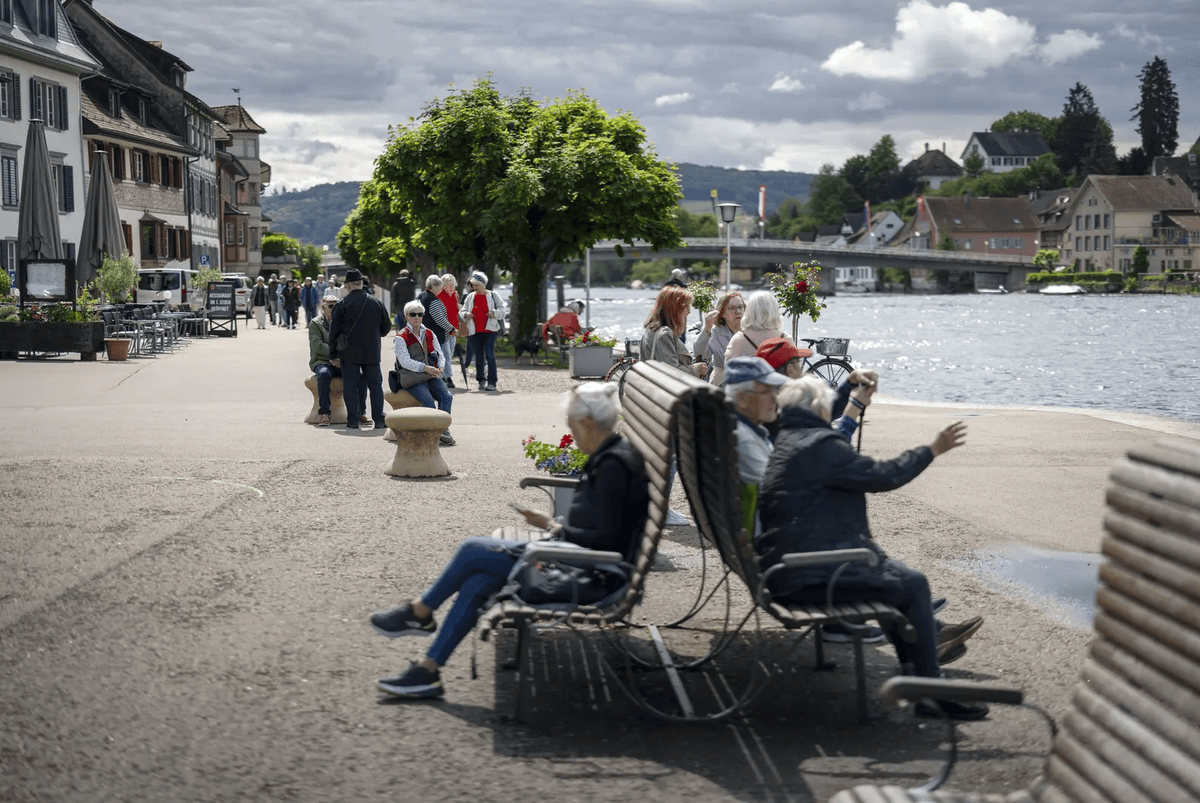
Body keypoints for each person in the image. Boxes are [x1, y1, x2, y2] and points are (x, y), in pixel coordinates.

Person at [369, 382, 649, 699]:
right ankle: (427, 671)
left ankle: (419, 612)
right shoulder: (615, 455)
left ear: (587, 422)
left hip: (592, 575)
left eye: (572, 426)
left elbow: (602, 543)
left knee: (473, 549)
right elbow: (603, 530)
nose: (571, 434)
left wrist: (552, 529)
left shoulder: (612, 466)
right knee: (477, 582)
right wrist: (553, 526)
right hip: (584, 562)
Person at [756, 375, 987, 720]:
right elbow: (885, 475)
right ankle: (928, 691)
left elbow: (825, 410)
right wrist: (932, 449)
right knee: (912, 585)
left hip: (787, 569)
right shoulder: (821, 446)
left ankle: (923, 682)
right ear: (819, 409)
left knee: (898, 579)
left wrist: (852, 395)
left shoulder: (787, 438)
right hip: (808, 577)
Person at [328, 269, 392, 429]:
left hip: (349, 353)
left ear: (348, 286)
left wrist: (333, 354)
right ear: (361, 284)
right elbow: (386, 328)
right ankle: (379, 419)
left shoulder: (342, 305)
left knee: (351, 386)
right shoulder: (376, 303)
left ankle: (354, 420)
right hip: (372, 352)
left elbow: (333, 333)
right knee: (375, 386)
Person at [394, 300, 455, 446]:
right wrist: (426, 368)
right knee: (428, 401)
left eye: (420, 314)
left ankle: (442, 430)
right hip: (412, 378)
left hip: (429, 374)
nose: (417, 317)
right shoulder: (400, 337)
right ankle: (433, 434)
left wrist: (440, 368)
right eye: (413, 314)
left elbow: (440, 354)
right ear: (406, 317)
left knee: (447, 397)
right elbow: (404, 362)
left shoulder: (429, 333)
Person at [640, 285, 706, 378]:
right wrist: (696, 369)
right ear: (674, 309)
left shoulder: (651, 329)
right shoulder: (665, 334)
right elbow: (672, 372)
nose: (688, 311)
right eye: (686, 307)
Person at [460, 271, 504, 392]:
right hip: (474, 331)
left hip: (490, 330)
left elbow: (503, 311)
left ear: (483, 284)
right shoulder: (470, 297)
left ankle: (492, 382)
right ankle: (481, 380)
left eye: (477, 285)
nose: (475, 288)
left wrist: (494, 313)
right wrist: (466, 314)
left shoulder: (493, 295)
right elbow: (461, 311)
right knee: (479, 356)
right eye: (473, 285)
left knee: (489, 355)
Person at [693, 291, 743, 386]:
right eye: (732, 308)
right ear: (723, 313)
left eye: (740, 307)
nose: (738, 311)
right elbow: (699, 354)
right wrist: (706, 330)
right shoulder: (716, 332)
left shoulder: (751, 329)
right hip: (723, 381)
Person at [725, 291, 788, 363]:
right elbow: (795, 371)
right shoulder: (786, 339)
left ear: (749, 311)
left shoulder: (739, 340)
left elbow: (728, 367)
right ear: (775, 311)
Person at [309, 292, 343, 427]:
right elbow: (317, 345)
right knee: (323, 375)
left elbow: (348, 342)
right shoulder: (315, 323)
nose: (334, 309)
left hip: (341, 360)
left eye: (337, 306)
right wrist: (333, 355)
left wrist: (340, 357)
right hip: (322, 360)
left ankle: (359, 412)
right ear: (323, 308)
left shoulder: (343, 322)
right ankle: (324, 413)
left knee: (359, 375)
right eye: (331, 306)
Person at [416, 275, 452, 375]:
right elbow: (440, 319)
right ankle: (443, 378)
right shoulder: (432, 300)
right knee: (441, 358)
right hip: (435, 334)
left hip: (422, 333)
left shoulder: (420, 296)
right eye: (439, 287)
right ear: (434, 286)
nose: (440, 289)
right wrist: (452, 329)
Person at [437, 274, 460, 388]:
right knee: (445, 354)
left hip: (453, 330)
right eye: (449, 285)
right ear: (443, 286)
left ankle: (442, 376)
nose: (452, 287)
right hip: (444, 330)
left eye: (453, 284)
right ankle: (447, 377)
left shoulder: (455, 295)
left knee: (448, 355)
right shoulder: (440, 296)